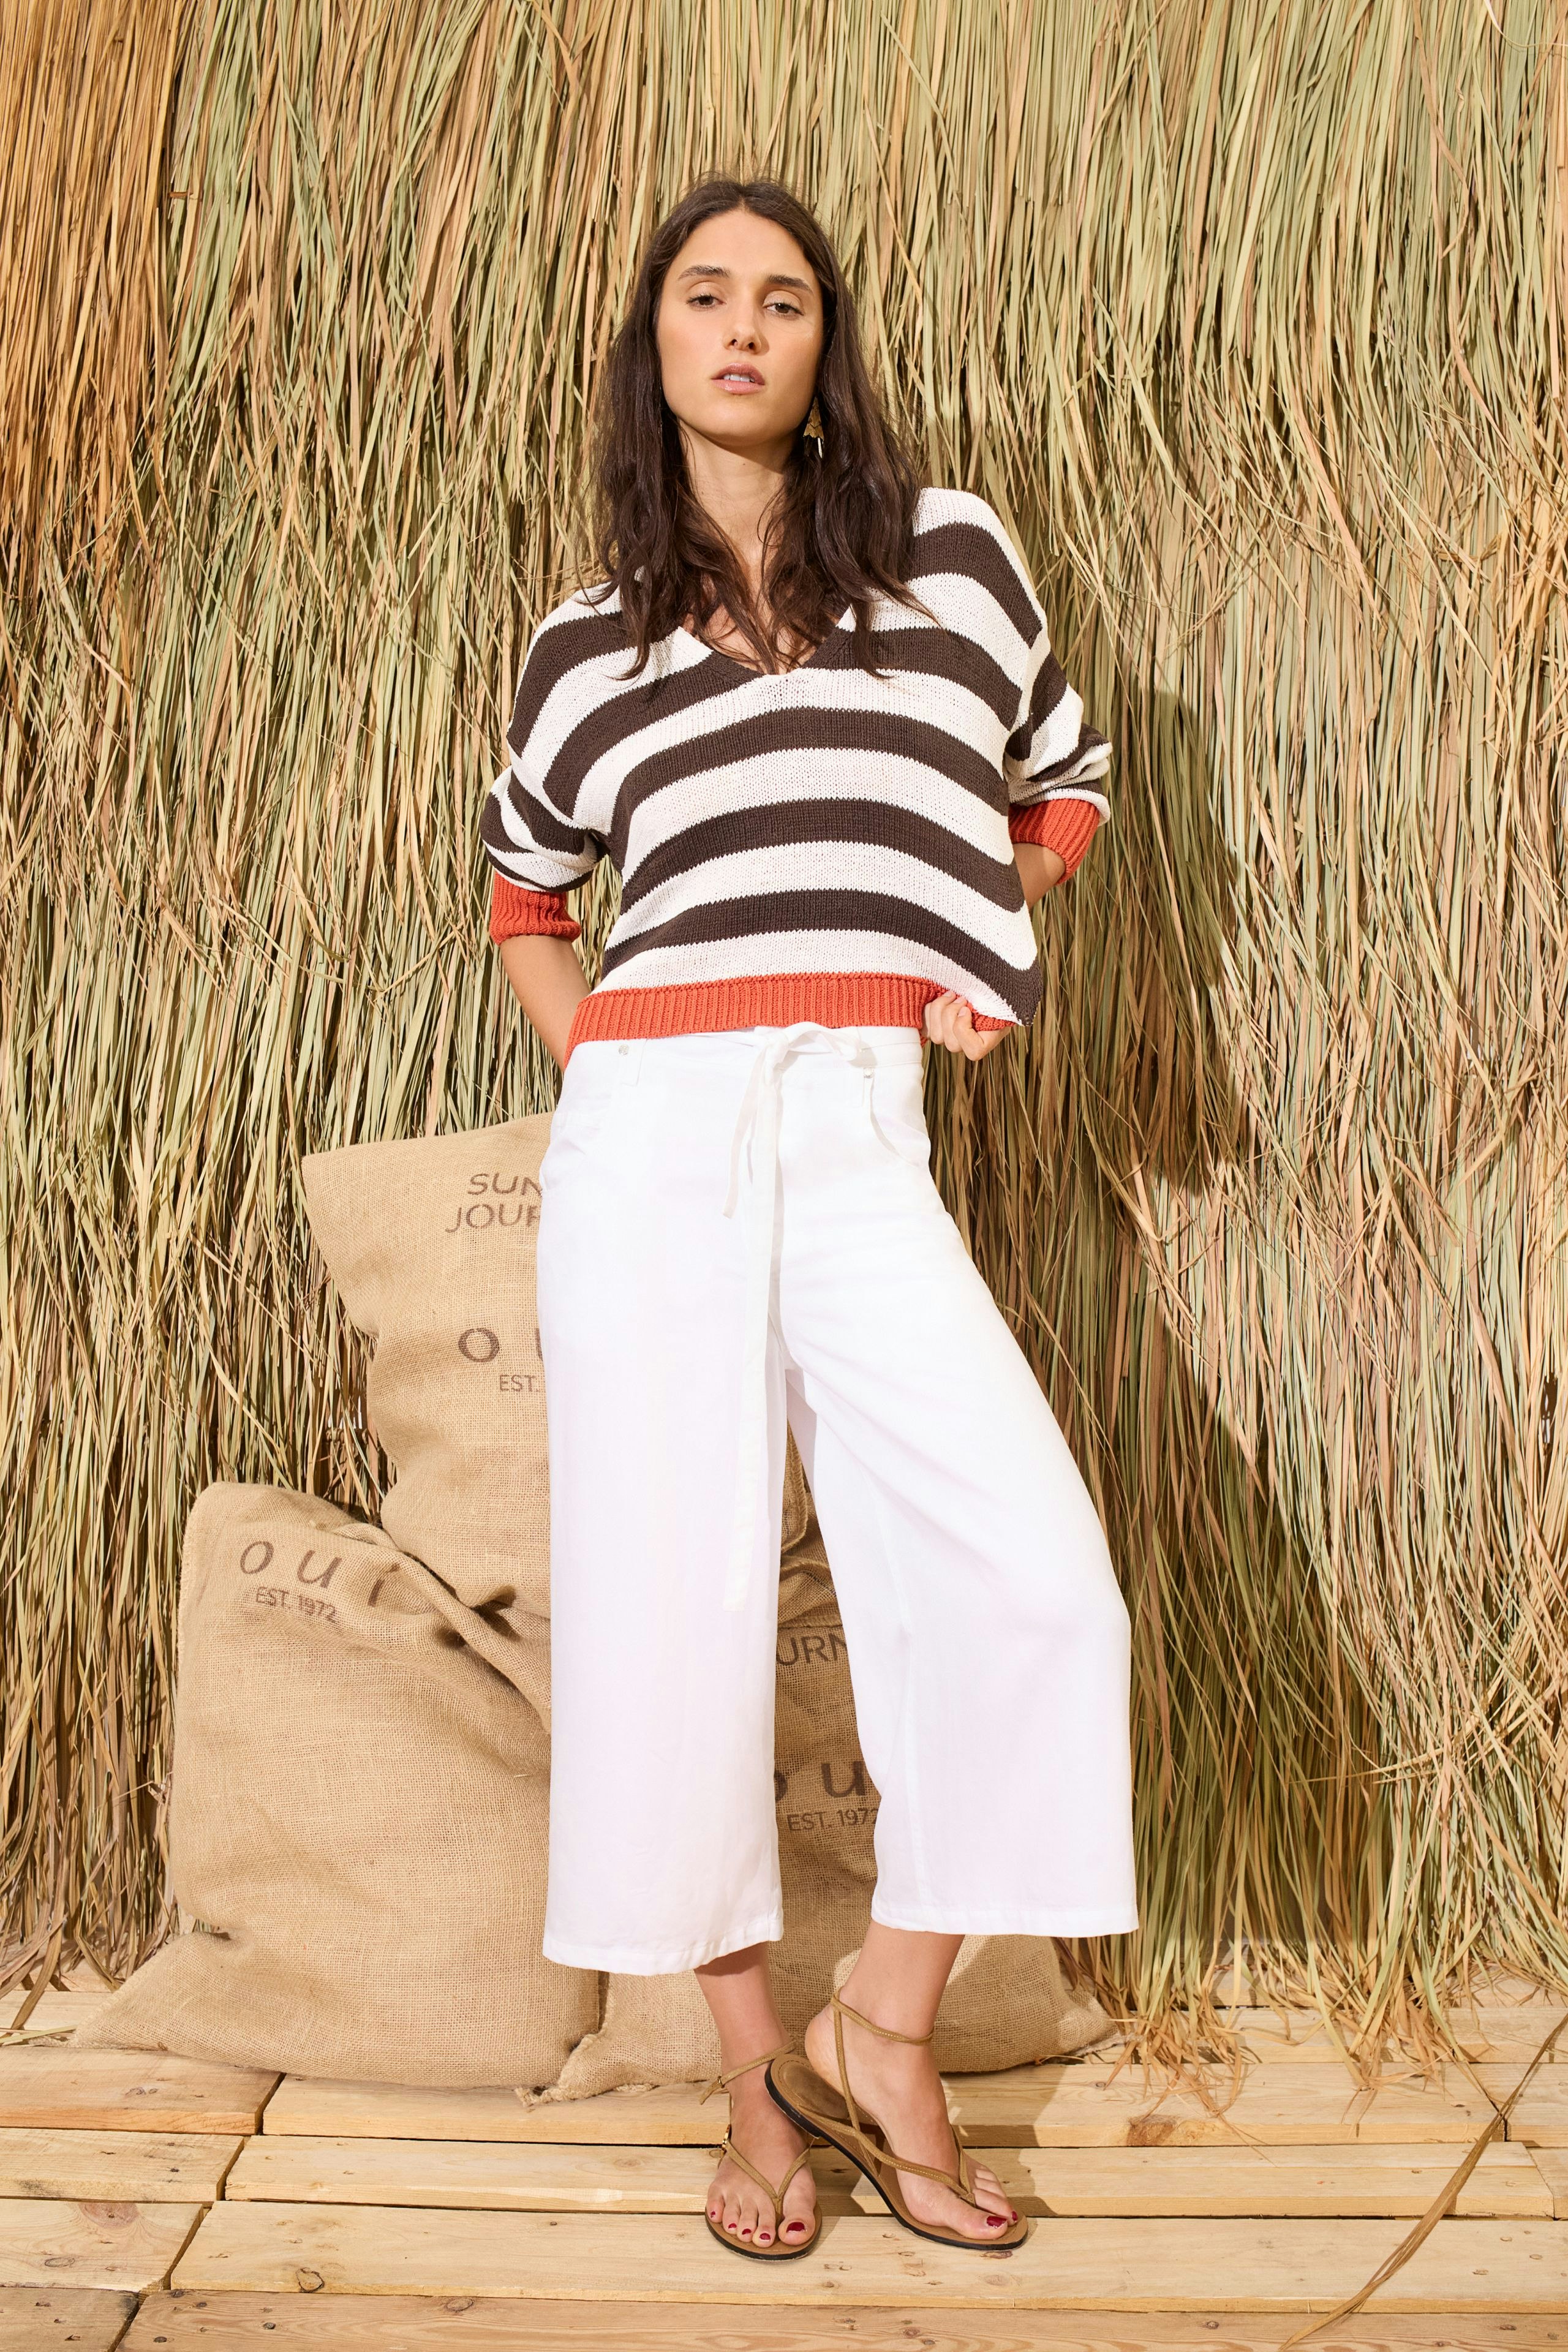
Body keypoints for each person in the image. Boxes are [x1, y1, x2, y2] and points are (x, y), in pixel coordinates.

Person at [483, 174, 1137, 2261]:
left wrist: (968, 943)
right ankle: (753, 2085)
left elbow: (1070, 790)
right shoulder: (588, 644)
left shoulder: (953, 559)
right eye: (704, 295)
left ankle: (888, 2024)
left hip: (861, 1116)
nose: (745, 326)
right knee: (669, 1612)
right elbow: (524, 904)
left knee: (1039, 1590)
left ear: (824, 342)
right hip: (656, 1122)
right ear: (655, 342)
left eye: (783, 298)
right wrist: (617, 1077)